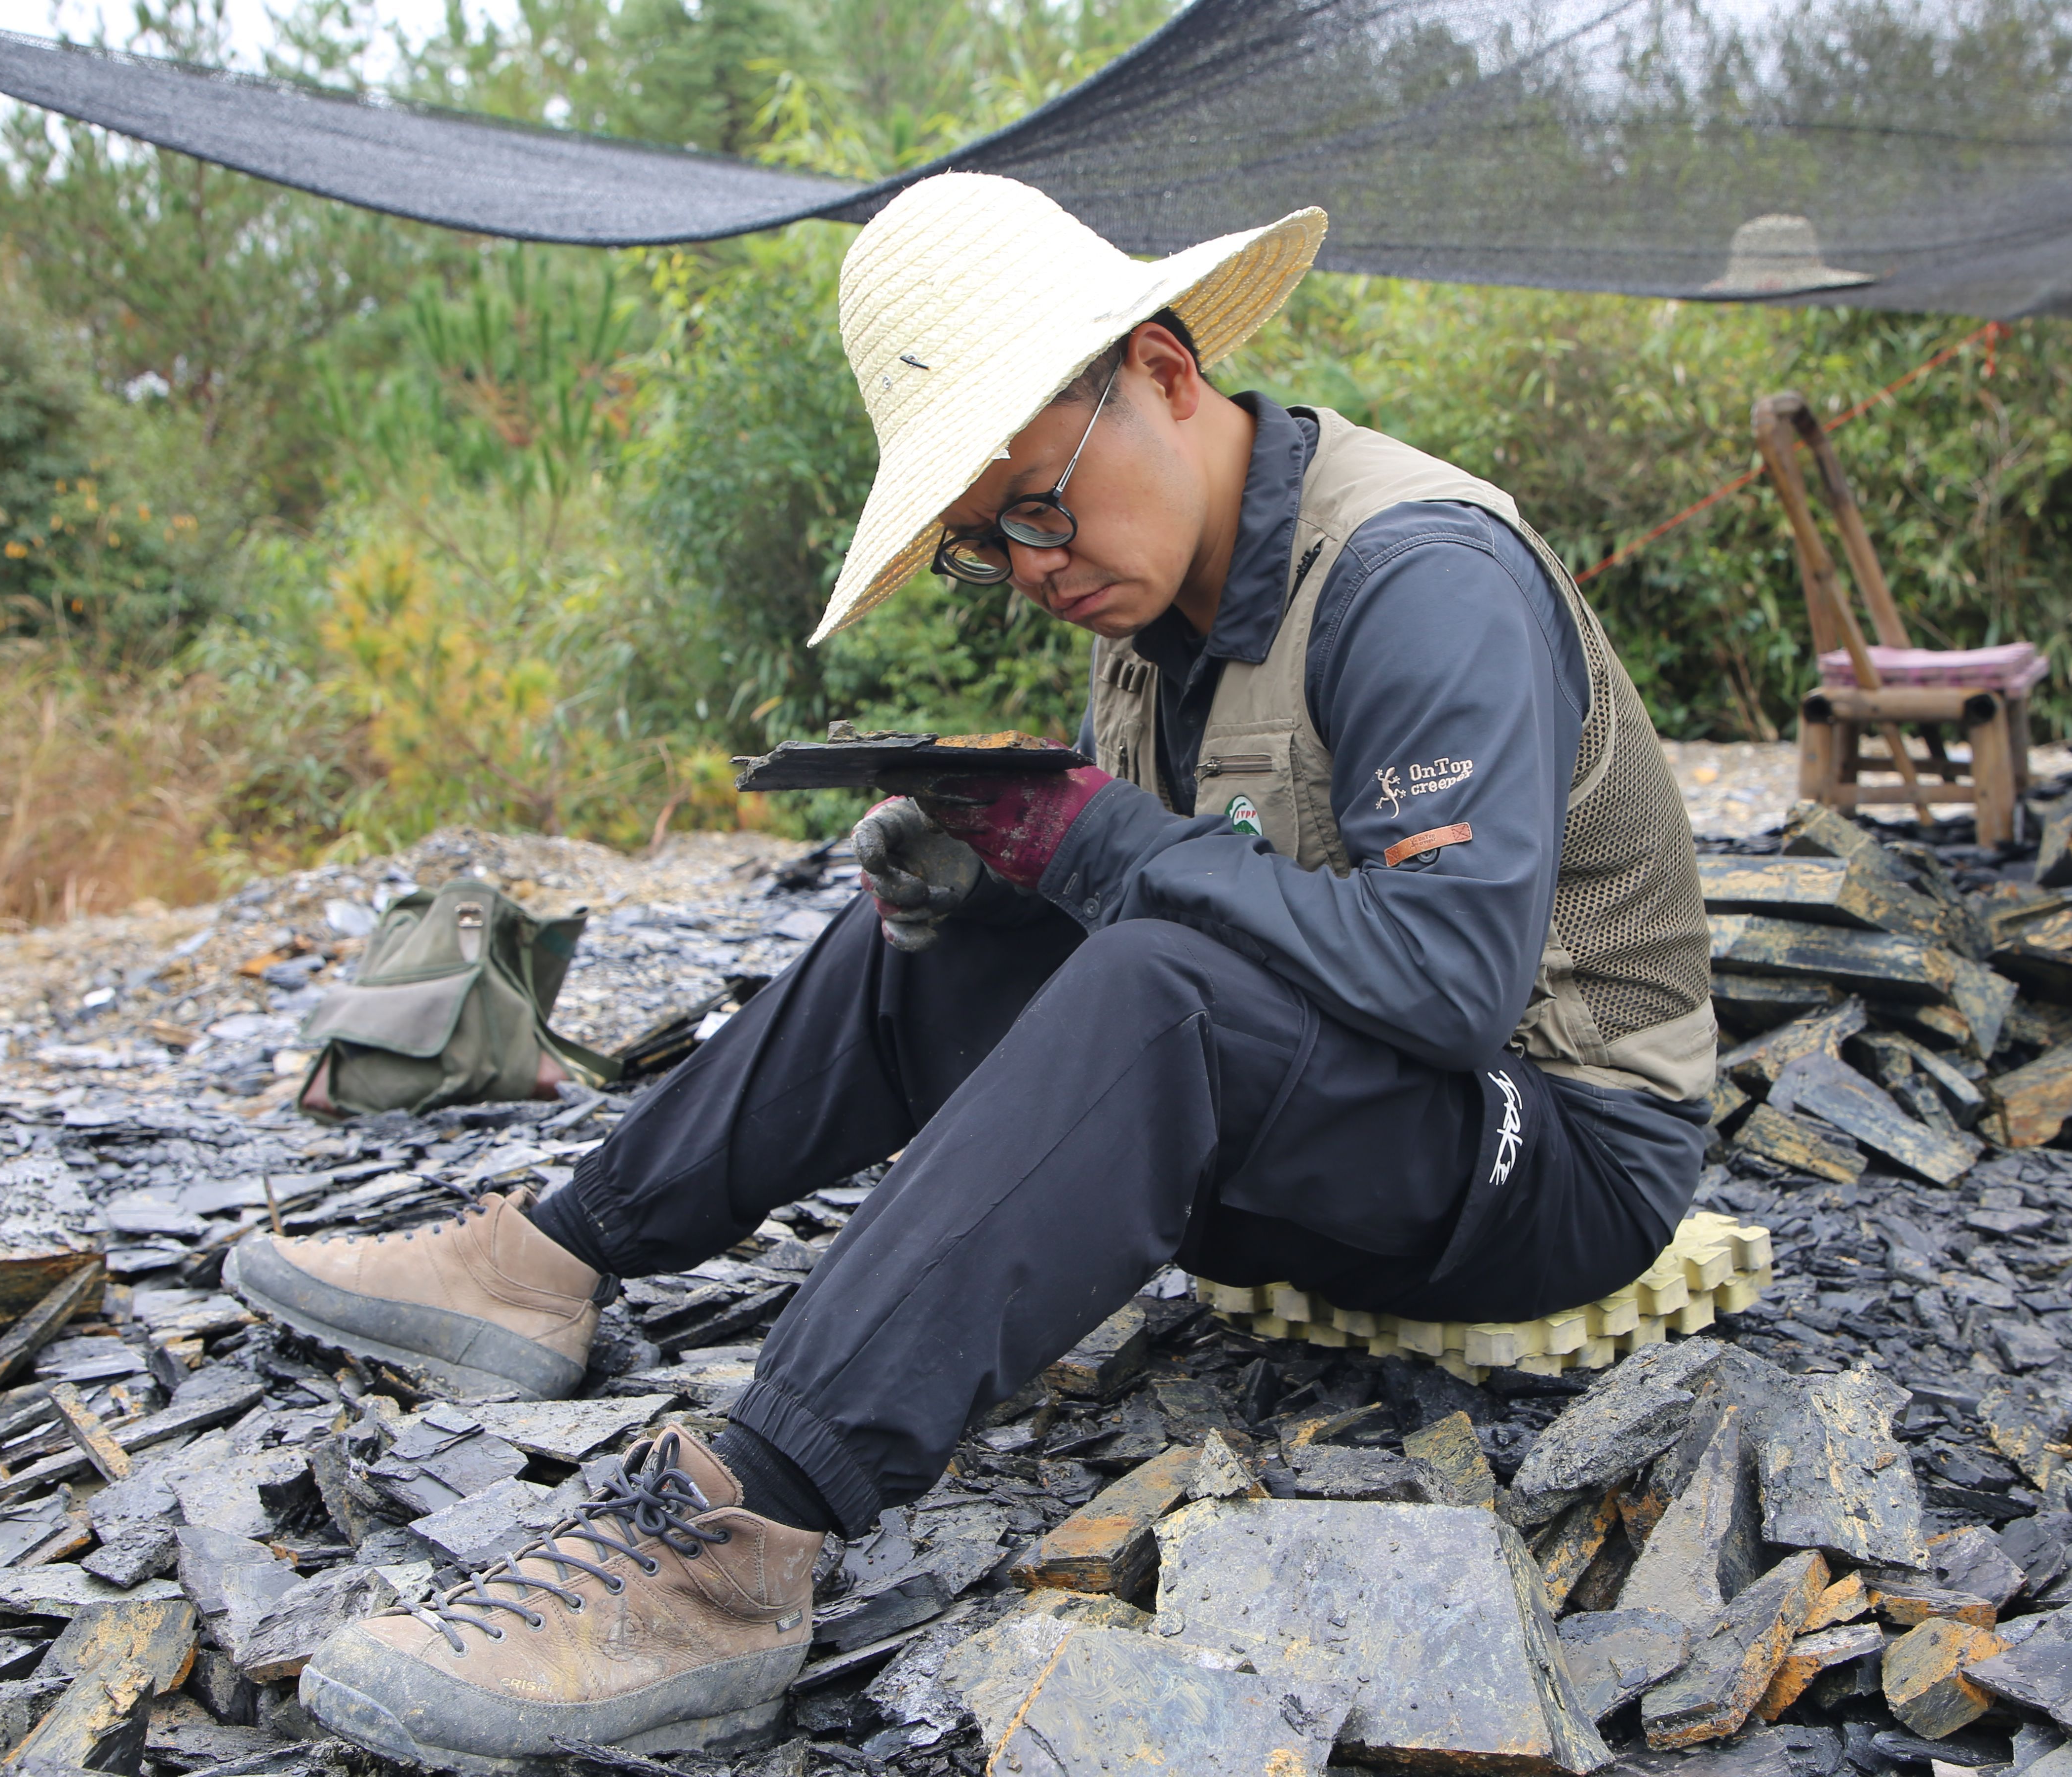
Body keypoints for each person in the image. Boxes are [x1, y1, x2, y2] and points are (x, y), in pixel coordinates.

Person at [230, 172, 1715, 1773]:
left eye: (1036, 506)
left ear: (1163, 372)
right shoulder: (1150, 613)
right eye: (983, 546)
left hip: (1555, 1151)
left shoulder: (1417, 578)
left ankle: (734, 1547)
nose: (1030, 565)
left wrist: (1101, 844)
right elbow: (1194, 901)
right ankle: (550, 1259)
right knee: (947, 934)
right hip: (1338, 1146)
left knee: (1155, 982)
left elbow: (1448, 984)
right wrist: (992, 873)